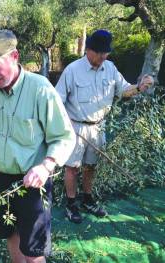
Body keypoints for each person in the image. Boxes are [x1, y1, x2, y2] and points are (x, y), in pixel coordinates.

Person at [0, 30, 76, 263]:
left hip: (33, 183)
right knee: (9, 232)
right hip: (1, 179)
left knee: (33, 250)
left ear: (14, 56)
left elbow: (64, 137)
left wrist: (46, 166)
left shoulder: (41, 89)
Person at [55, 29, 154, 224]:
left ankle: (87, 199)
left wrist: (140, 87)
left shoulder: (110, 68)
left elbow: (124, 90)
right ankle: (71, 204)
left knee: (91, 166)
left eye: (106, 52)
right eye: (99, 52)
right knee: (72, 168)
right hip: (75, 127)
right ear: (88, 50)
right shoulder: (73, 70)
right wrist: (66, 124)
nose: (103, 56)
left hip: (99, 128)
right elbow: (58, 100)